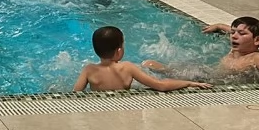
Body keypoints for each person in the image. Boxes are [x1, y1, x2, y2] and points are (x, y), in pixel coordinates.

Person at [74, 26, 211, 92]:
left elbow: (75, 94)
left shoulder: (89, 70)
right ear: (119, 51)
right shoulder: (127, 67)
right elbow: (160, 85)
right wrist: (188, 83)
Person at [144, 17, 259, 80]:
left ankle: (165, 71)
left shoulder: (255, 58)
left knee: (153, 66)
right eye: (233, 32)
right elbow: (232, 30)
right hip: (208, 74)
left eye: (241, 34)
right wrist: (219, 26)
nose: (234, 36)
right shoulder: (236, 50)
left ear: (257, 40)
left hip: (211, 81)